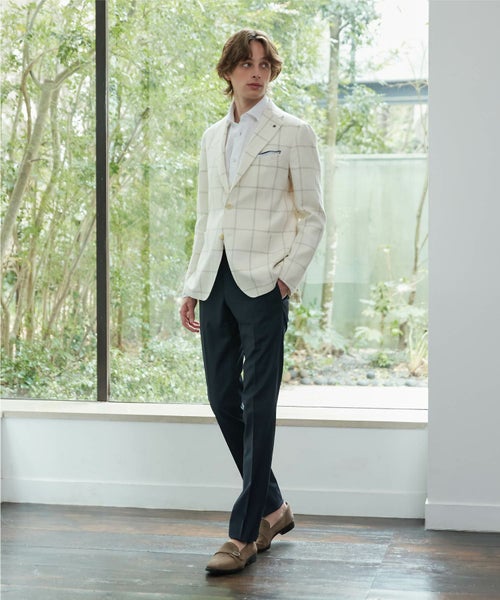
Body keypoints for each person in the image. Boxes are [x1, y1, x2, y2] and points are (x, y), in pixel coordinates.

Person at [179, 28, 326, 575]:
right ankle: (274, 506)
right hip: (216, 281)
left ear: (272, 72)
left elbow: (313, 215)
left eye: (264, 64)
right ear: (229, 72)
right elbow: (207, 216)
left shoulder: (294, 133)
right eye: (246, 63)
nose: (256, 72)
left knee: (258, 404)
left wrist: (287, 278)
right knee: (223, 398)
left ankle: (243, 535)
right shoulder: (211, 137)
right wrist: (193, 284)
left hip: (265, 283)